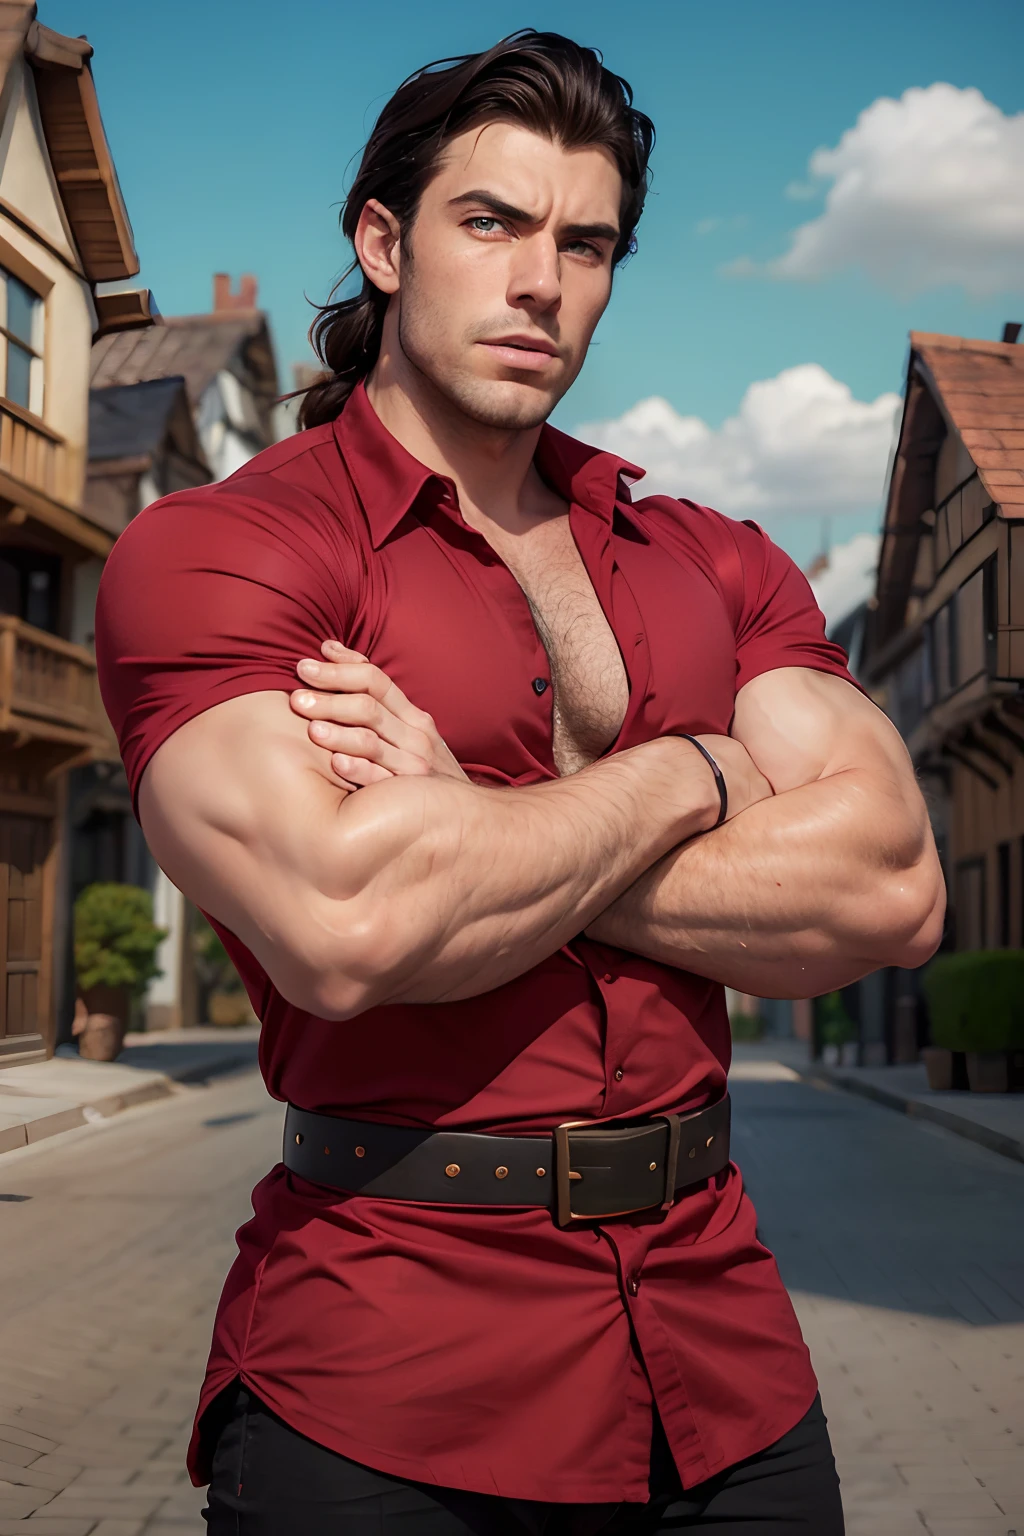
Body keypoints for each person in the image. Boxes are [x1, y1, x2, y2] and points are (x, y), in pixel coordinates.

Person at [94, 30, 944, 1536]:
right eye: (490, 222)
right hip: (386, 1375)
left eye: (588, 242)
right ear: (384, 241)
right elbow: (350, 925)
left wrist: (483, 829)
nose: (543, 280)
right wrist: (694, 767)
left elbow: (886, 885)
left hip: (724, 1363)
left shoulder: (712, 559)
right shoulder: (230, 551)